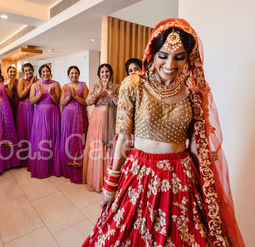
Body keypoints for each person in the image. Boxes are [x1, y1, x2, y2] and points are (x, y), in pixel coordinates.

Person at [83, 18, 245, 246]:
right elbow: (123, 140)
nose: (170, 64)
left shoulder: (194, 92)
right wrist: (110, 185)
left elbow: (196, 145)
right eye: (163, 56)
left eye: (180, 57)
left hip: (181, 177)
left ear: (189, 57)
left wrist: (209, 186)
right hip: (139, 173)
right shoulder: (133, 85)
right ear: (151, 52)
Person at [83, 64, 119, 192]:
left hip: (110, 118)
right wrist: (99, 91)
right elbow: (88, 102)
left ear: (111, 73)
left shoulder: (116, 87)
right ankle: (96, 180)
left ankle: (108, 180)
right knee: (97, 146)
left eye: (107, 71)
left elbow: (119, 103)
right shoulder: (94, 87)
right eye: (102, 72)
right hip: (97, 119)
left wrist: (109, 91)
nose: (105, 74)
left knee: (108, 146)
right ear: (99, 75)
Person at [28, 64, 61, 178]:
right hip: (40, 114)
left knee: (52, 137)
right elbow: (32, 101)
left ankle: (53, 166)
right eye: (43, 72)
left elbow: (57, 101)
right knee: (42, 138)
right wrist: (40, 95)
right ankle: (42, 166)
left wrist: (52, 95)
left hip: (53, 113)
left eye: (47, 71)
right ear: (40, 73)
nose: (45, 73)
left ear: (50, 72)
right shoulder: (35, 85)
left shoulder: (56, 84)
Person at [59, 66, 89, 184]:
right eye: (71, 73)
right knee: (67, 139)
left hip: (80, 116)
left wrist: (76, 97)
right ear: (68, 75)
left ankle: (78, 170)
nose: (74, 75)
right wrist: (69, 97)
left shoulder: (83, 85)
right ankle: (67, 170)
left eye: (76, 73)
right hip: (68, 116)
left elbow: (86, 102)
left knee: (79, 139)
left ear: (79, 74)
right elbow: (61, 103)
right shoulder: (65, 87)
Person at [16, 63, 37, 166]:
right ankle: (24, 158)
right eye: (26, 71)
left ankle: (33, 156)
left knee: (34, 130)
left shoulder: (37, 81)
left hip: (35, 107)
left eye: (30, 70)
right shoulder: (21, 81)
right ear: (24, 72)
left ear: (33, 70)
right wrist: (30, 85)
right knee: (25, 130)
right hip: (24, 107)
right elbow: (20, 95)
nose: (28, 72)